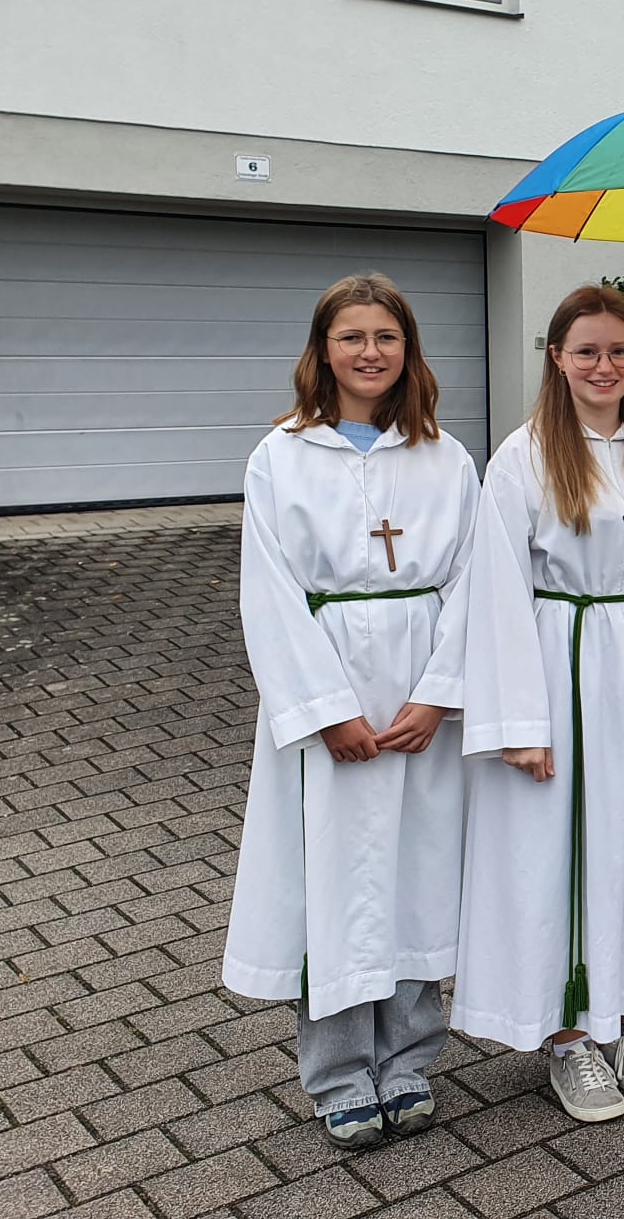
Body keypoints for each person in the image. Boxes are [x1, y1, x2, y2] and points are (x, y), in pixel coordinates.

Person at [452, 285, 624, 1124]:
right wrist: (518, 723)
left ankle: (621, 1017)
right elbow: (496, 595)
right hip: (559, 660)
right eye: (587, 352)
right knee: (562, 846)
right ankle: (569, 1033)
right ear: (557, 359)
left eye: (618, 351)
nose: (604, 366)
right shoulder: (524, 457)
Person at [223, 272, 478, 1149]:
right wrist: (326, 711)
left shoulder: (446, 458)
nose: (370, 352)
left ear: (409, 350)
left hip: (417, 699)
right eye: (352, 337)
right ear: (322, 350)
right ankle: (337, 1072)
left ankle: (407, 1060)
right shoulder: (281, 457)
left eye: (386, 337)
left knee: (416, 874)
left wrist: (439, 696)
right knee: (329, 880)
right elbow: (269, 595)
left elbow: (474, 584)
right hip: (327, 691)